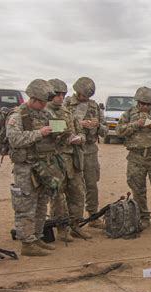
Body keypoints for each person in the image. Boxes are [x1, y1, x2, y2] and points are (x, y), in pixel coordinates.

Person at [6, 79, 64, 256]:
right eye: (42, 102)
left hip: (43, 166)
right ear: (33, 98)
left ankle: (37, 237)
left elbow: (56, 132)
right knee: (26, 206)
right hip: (26, 168)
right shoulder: (18, 116)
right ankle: (27, 243)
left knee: (41, 204)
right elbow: (14, 139)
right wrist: (40, 133)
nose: (45, 105)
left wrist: (59, 132)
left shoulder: (45, 114)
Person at [116, 86, 151, 230]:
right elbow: (119, 131)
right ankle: (144, 218)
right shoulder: (128, 114)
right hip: (136, 157)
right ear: (137, 102)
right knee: (138, 190)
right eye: (143, 104)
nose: (145, 107)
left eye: (148, 104)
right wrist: (135, 125)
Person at [47, 79, 91, 241]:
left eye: (62, 94)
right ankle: (61, 229)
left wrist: (80, 138)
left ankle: (75, 226)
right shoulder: (44, 113)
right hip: (55, 161)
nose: (60, 97)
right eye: (56, 94)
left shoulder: (67, 113)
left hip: (73, 160)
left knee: (78, 194)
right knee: (58, 197)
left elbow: (82, 133)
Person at [64, 77, 108, 228]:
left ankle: (93, 217)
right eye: (83, 95)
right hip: (71, 150)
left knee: (91, 184)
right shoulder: (66, 104)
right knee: (72, 186)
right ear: (77, 91)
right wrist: (79, 124)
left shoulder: (94, 106)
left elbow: (105, 130)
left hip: (89, 150)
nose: (85, 98)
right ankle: (72, 220)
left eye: (88, 96)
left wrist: (97, 125)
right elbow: (58, 125)